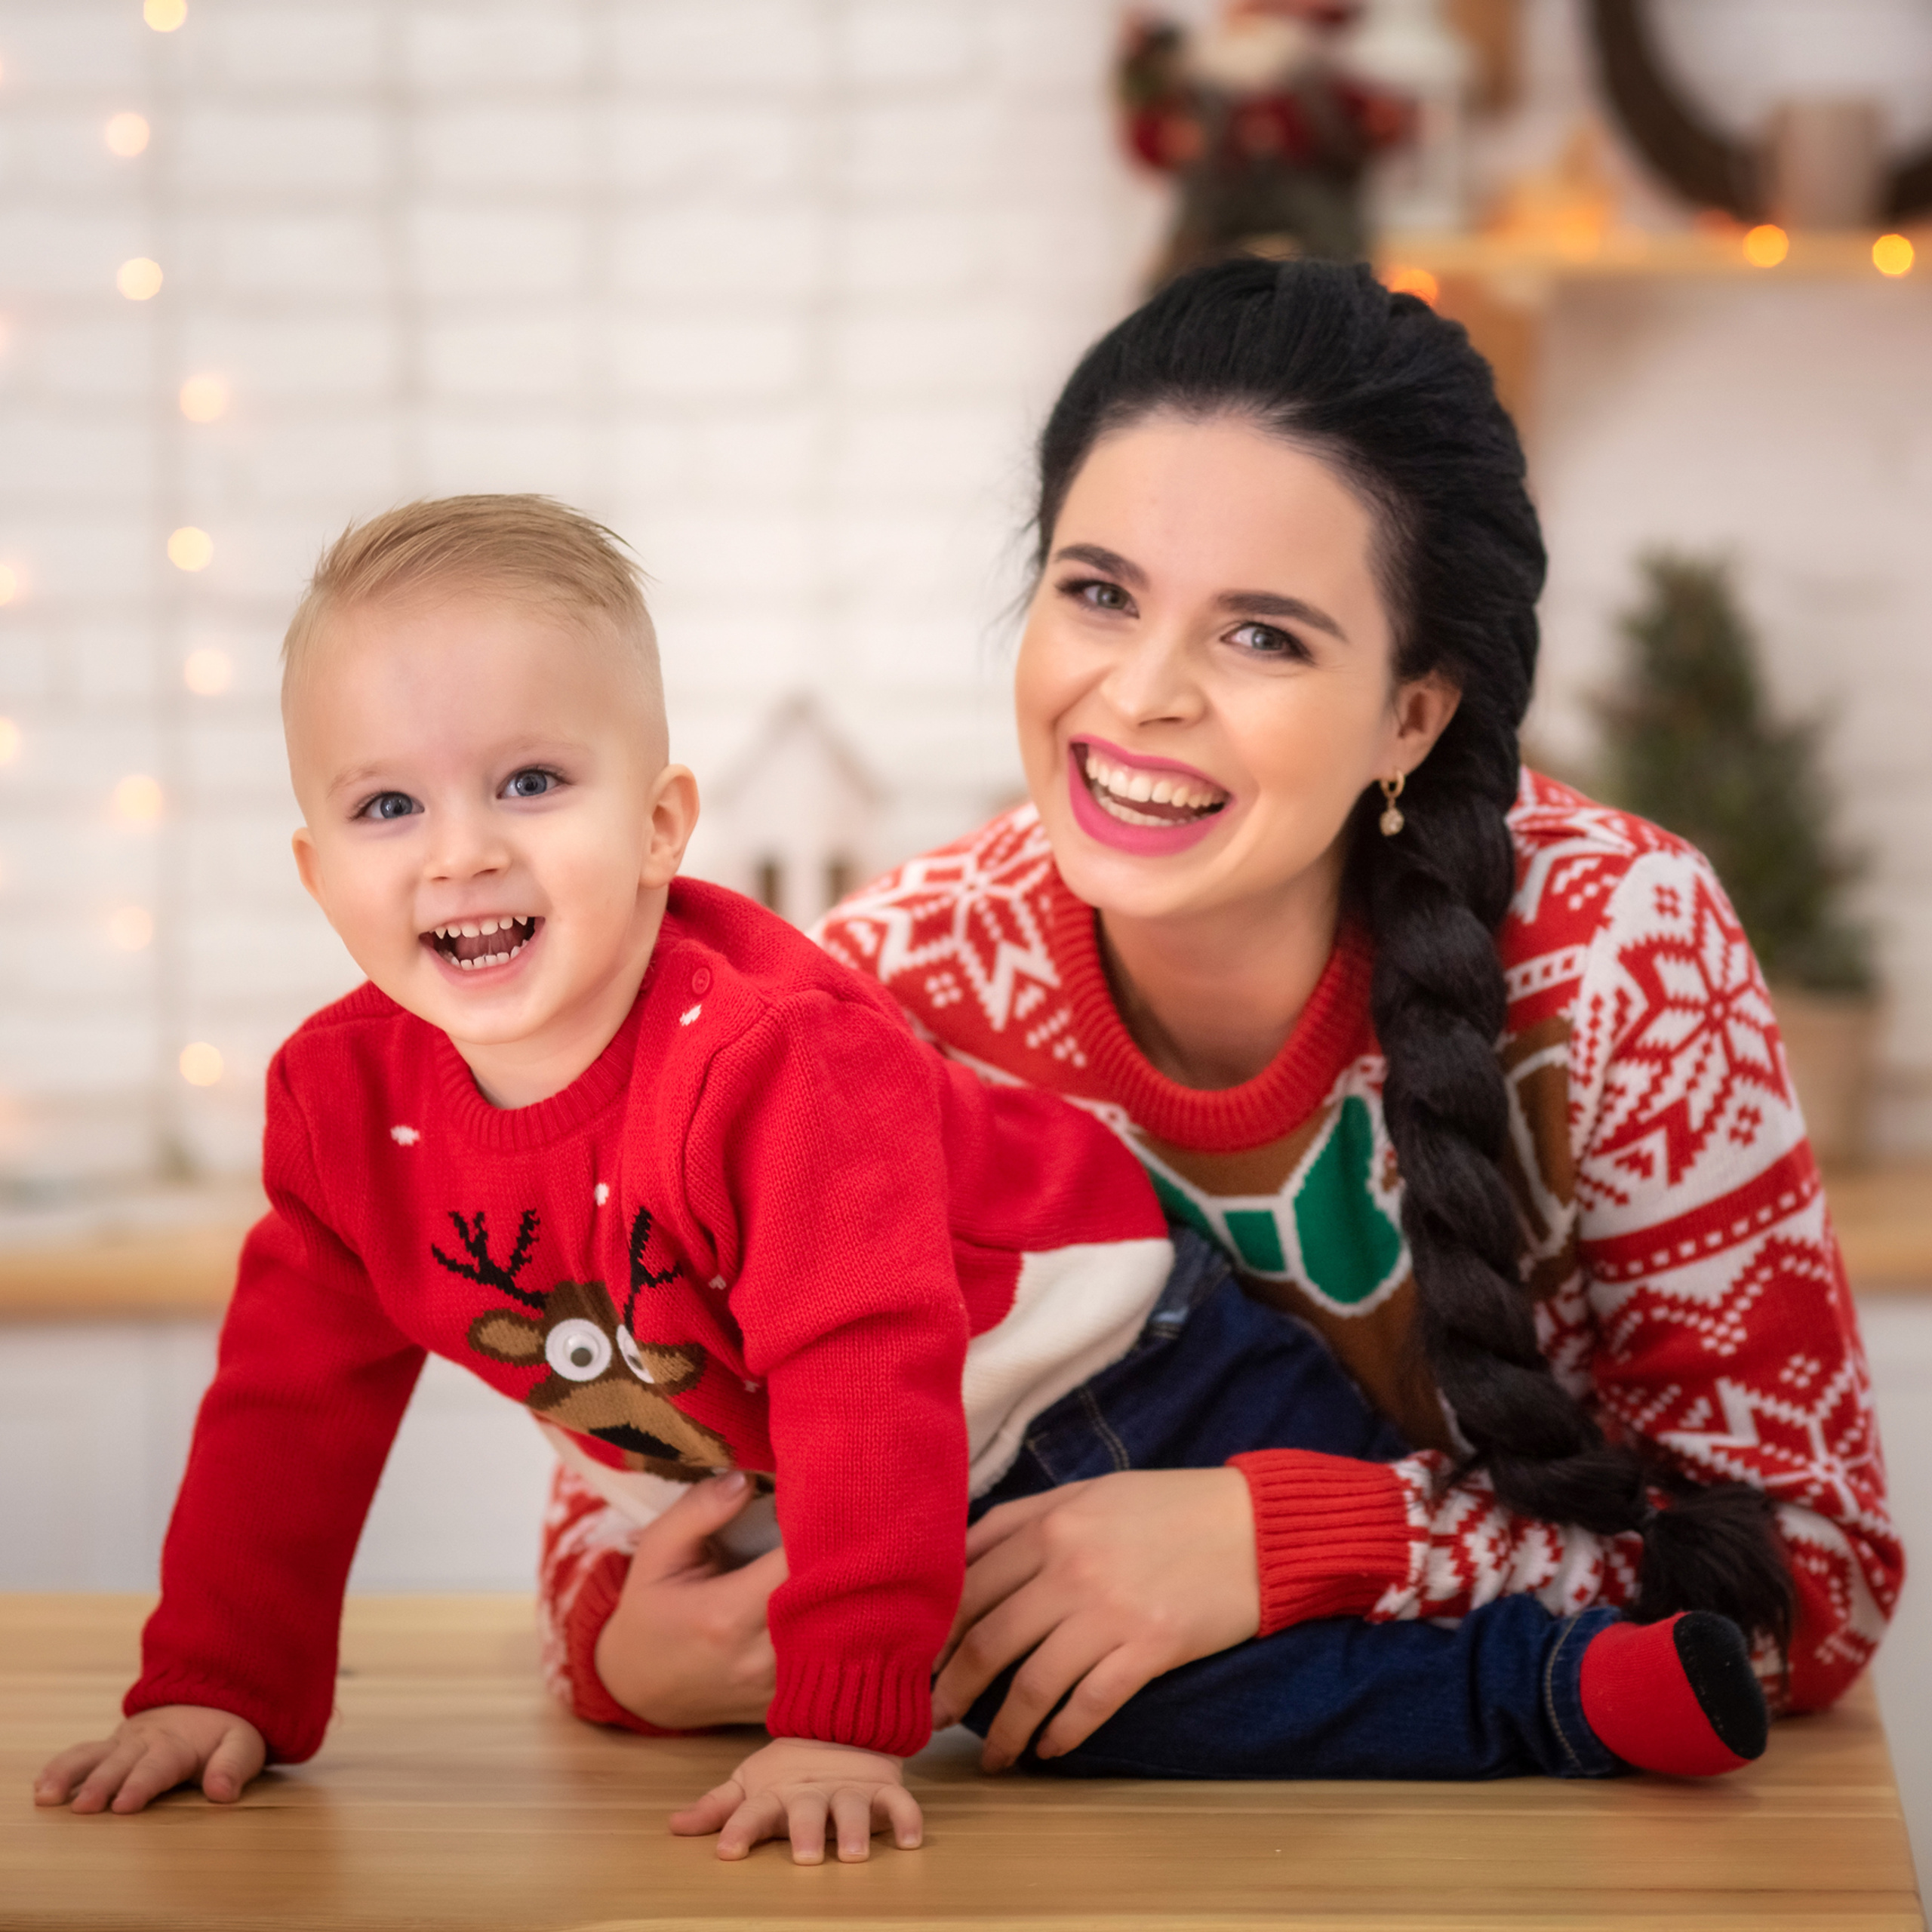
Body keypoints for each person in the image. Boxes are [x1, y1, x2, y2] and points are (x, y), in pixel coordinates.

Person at [35, 486, 1792, 1863]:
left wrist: (842, 1711)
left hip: (1108, 1362)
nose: (465, 848)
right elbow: (286, 1410)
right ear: (313, 865)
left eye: (529, 780)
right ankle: (1574, 1688)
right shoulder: (342, 1105)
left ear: (659, 825)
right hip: (876, 1483)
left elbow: (866, 1364)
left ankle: (1567, 1682)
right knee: (1096, 1708)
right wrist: (219, 1681)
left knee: (1121, 1700)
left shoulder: (773, 1052)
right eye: (387, 809)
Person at [552, 259, 1900, 1783]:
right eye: (1097, 590)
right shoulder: (890, 986)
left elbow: (1814, 1576)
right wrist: (625, 1648)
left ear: (1412, 712)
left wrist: (1288, 1534)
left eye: (1260, 635)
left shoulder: (1618, 954)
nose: (1138, 693)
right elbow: (615, 1496)